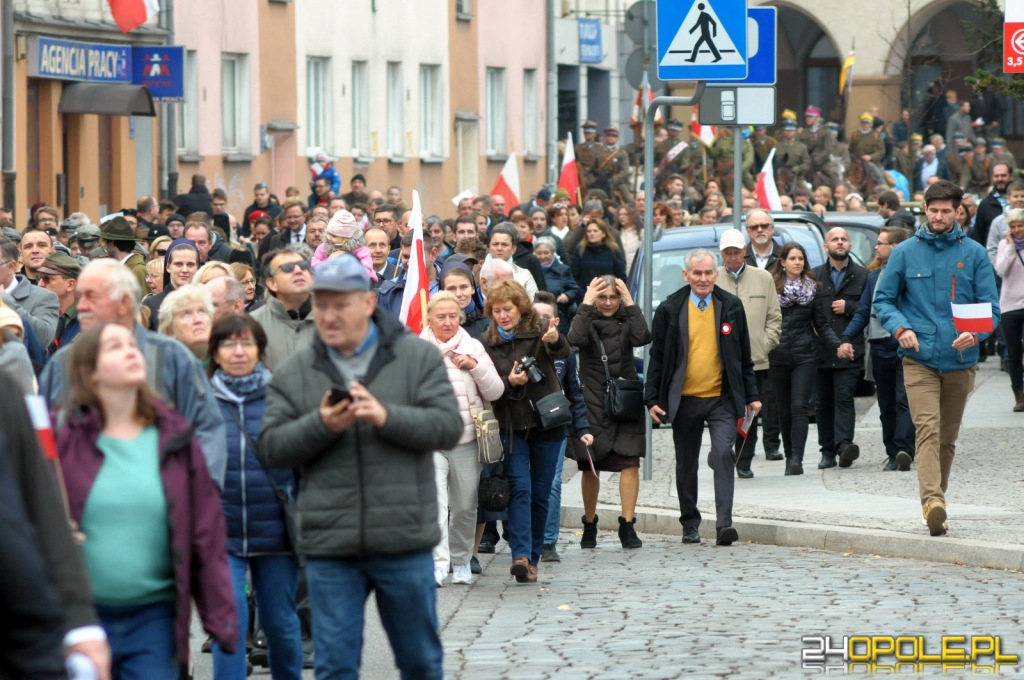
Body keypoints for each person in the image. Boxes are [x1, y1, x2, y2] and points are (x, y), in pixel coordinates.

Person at [258, 255, 462, 678]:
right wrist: (321, 425)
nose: (328, 315)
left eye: (340, 304)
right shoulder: (296, 370)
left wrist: (387, 416)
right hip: (331, 545)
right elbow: (273, 449)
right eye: (321, 304)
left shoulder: (415, 357)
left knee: (421, 662)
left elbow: (447, 428)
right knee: (334, 668)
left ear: (368, 303)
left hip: (403, 539)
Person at [55, 322, 236, 678]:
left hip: (155, 617)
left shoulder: (175, 438)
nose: (131, 351)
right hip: (80, 618)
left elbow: (206, 533)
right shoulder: (62, 439)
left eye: (131, 345)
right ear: (89, 373)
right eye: (114, 347)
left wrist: (220, 618)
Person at [874, 180, 1000, 536]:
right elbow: (883, 300)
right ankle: (932, 501)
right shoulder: (904, 252)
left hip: (961, 360)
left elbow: (992, 308)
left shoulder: (974, 253)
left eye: (947, 210)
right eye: (934, 210)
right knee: (926, 429)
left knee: (946, 436)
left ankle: (936, 498)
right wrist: (901, 328)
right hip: (919, 358)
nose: (940, 216)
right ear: (925, 211)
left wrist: (975, 333)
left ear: (957, 211)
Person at [39, 259, 228, 488]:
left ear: (124, 303)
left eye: (92, 297)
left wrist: (197, 499)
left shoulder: (172, 358)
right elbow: (43, 440)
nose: (81, 306)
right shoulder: (63, 363)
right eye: (81, 297)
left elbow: (207, 431)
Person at [206, 313, 303, 680]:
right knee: (228, 623)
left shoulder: (281, 397)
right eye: (228, 343)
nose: (238, 351)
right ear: (215, 352)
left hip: (276, 529)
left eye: (247, 343)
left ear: (260, 350)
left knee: (280, 623)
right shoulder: (201, 400)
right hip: (220, 532)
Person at [646, 249, 759, 546]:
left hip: (722, 397)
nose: (703, 278)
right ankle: (690, 523)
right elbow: (657, 358)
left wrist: (752, 395)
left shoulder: (731, 306)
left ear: (716, 273)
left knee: (723, 454)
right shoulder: (670, 309)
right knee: (687, 463)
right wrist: (652, 398)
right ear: (686, 275)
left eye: (708, 272)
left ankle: (724, 525)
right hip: (683, 399)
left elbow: (743, 356)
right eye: (697, 273)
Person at [482, 280, 570, 582]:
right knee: (520, 488)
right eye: (497, 311)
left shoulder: (540, 327)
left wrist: (555, 338)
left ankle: (533, 557)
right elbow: (489, 385)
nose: (503, 315)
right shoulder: (487, 341)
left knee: (541, 493)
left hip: (547, 423)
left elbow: (563, 352)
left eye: (508, 309)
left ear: (520, 308)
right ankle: (519, 555)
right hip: (512, 425)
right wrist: (510, 383)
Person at [420, 292, 504, 586]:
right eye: (440, 316)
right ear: (429, 317)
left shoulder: (473, 346)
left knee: (466, 506)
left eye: (453, 316)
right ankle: (438, 564)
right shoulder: (416, 349)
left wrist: (474, 366)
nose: (447, 322)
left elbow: (496, 392)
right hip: (429, 441)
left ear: (461, 318)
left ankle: (461, 560)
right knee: (435, 505)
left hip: (467, 440)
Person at [566, 275, 652, 548]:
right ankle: (589, 523)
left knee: (629, 460)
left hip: (624, 398)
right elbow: (574, 340)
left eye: (613, 297)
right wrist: (586, 303)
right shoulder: (587, 317)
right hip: (592, 399)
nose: (607, 302)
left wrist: (629, 302)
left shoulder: (626, 318)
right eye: (602, 297)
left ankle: (627, 524)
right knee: (591, 465)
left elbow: (643, 336)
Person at [839, 227, 916, 470]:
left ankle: (904, 448)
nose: (876, 247)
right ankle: (892, 452)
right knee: (885, 403)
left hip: (904, 345)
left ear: (895, 248)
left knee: (903, 400)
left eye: (881, 243)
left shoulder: (910, 274)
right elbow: (863, 311)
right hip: (879, 347)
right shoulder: (873, 277)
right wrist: (846, 337)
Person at [715, 230, 782, 477]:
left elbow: (774, 316)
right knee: (722, 409)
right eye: (727, 253)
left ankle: (744, 461)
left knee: (751, 411)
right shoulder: (713, 278)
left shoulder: (763, 278)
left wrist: (765, 344)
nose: (732, 257)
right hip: (719, 361)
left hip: (755, 359)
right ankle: (723, 451)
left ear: (745, 250)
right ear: (721, 253)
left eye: (736, 251)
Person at [812, 228, 868, 469]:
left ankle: (845, 446)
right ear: (826, 247)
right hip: (821, 350)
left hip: (850, 349)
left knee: (844, 399)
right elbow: (810, 313)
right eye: (835, 239)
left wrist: (849, 306)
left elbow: (869, 309)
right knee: (823, 403)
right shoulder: (814, 276)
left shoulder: (862, 275)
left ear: (850, 245)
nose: (840, 243)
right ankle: (827, 451)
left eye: (844, 239)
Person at [251, 247, 315, 370]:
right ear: (271, 283)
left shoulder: (332, 318)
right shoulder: (253, 325)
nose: (298, 271)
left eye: (303, 265)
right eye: (288, 268)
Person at [993, 208, 1024, 411]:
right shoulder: (1005, 245)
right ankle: (1019, 395)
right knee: (1013, 353)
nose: (1017, 230)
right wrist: (1011, 248)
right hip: (1009, 305)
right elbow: (1001, 270)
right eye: (1013, 227)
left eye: (1020, 226)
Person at [533, 236, 579, 335]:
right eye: (539, 253)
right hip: (535, 316)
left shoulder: (563, 270)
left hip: (559, 315)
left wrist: (567, 296)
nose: (542, 256)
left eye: (546, 253)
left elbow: (574, 289)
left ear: (553, 253)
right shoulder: (529, 269)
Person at [158, 284, 213, 361]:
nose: (198, 320)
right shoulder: (160, 368)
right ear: (170, 331)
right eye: (186, 314)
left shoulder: (228, 365)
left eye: (202, 311)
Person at [569, 218, 626, 288]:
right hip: (585, 295)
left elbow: (621, 277)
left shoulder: (614, 251)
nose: (591, 233)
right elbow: (573, 276)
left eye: (595, 231)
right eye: (589, 231)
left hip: (608, 295)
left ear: (603, 234)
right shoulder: (580, 250)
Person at [441, 261, 490, 338]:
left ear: (473, 289)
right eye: (451, 288)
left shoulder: (489, 323)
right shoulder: (434, 325)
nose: (458, 294)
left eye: (463, 287)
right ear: (442, 291)